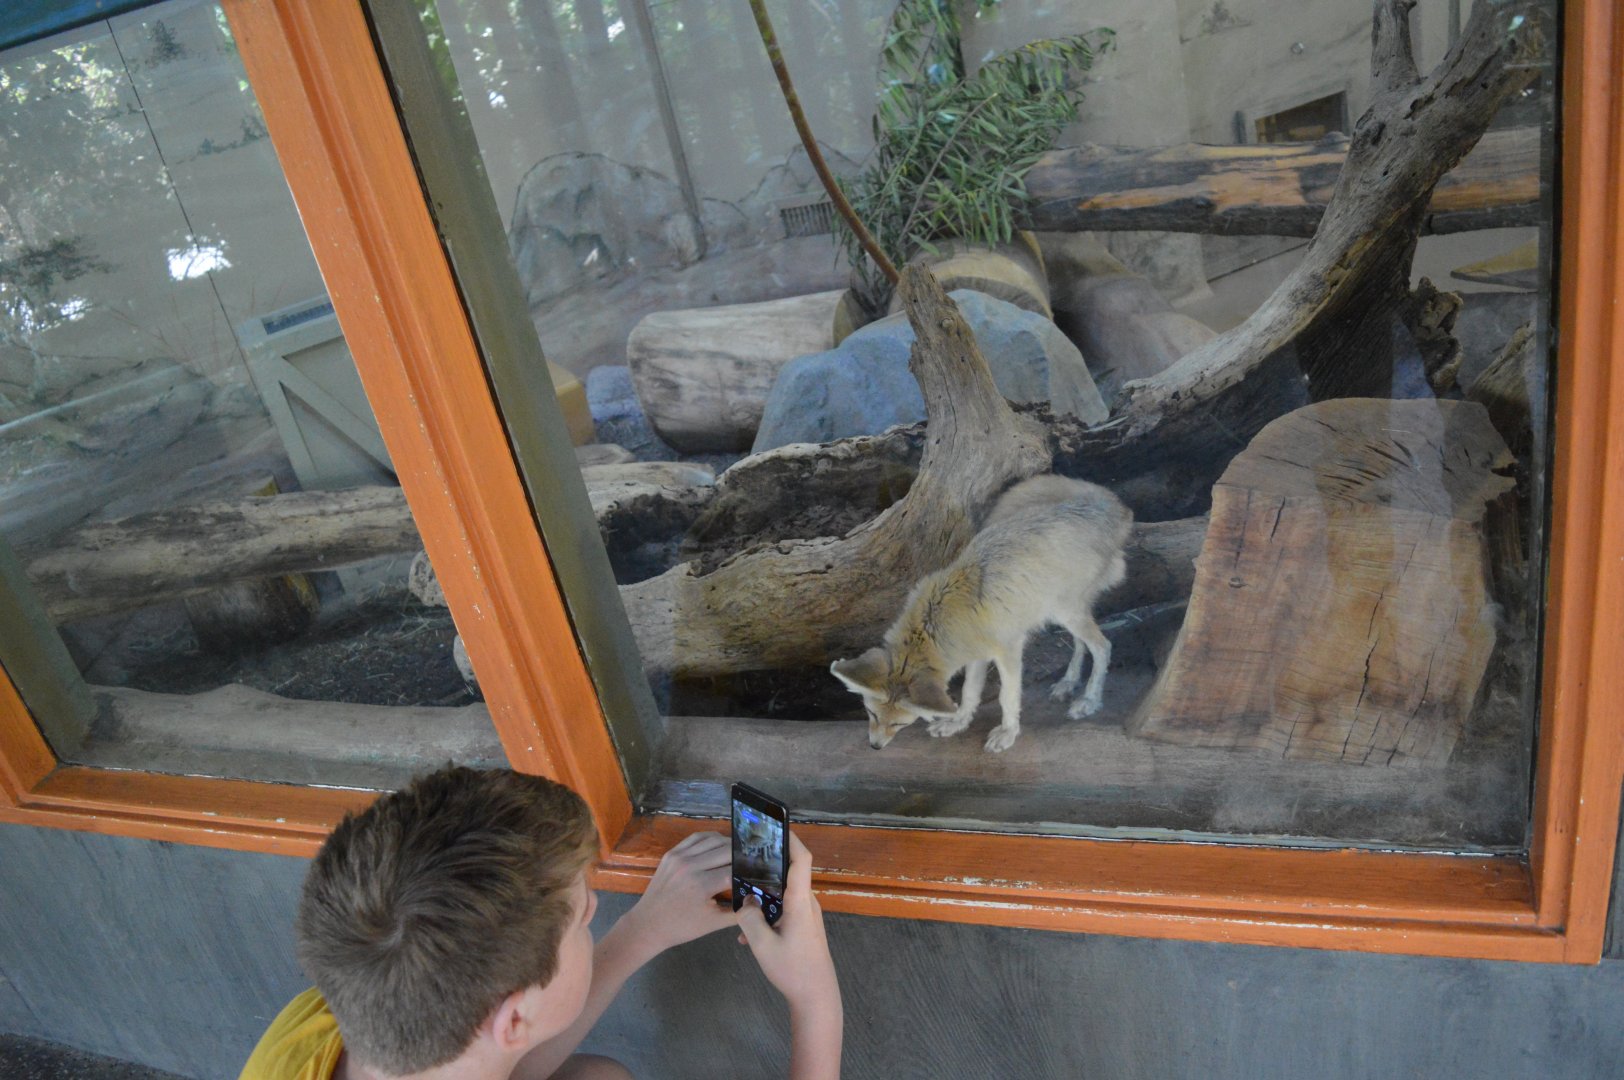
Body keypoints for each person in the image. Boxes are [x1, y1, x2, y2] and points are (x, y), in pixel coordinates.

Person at [239, 766, 841, 1080]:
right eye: (581, 919)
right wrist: (815, 1000)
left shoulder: (325, 1019)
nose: (595, 910)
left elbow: (482, 1053)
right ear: (513, 1019)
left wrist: (645, 929)